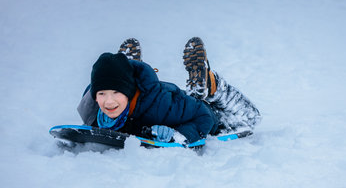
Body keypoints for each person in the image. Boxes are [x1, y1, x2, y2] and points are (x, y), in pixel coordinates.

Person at [77, 37, 261, 144]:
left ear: (129, 90)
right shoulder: (91, 106)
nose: (108, 101)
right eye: (102, 94)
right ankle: (127, 65)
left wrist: (178, 134)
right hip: (157, 97)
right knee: (115, 83)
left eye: (116, 92)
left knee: (251, 118)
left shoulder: (161, 106)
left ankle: (211, 85)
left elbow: (203, 116)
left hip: (203, 112)